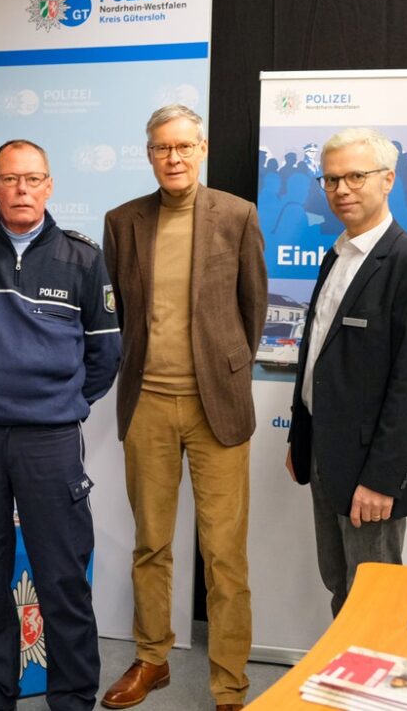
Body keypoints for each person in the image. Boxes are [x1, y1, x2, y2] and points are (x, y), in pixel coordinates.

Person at [0, 139, 120, 711]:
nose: (22, 189)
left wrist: (57, 405)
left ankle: (73, 697)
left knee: (61, 577)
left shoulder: (83, 258)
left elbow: (104, 355)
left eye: (33, 179)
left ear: (50, 185)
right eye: (9, 179)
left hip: (50, 442)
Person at [101, 104, 267, 711]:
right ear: (149, 154)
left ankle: (230, 685)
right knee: (151, 543)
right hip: (146, 401)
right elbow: (117, 311)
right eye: (162, 148)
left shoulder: (237, 215)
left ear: (203, 149)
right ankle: (152, 659)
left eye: (184, 146)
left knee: (224, 554)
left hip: (216, 408)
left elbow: (253, 310)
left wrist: (221, 372)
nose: (174, 157)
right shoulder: (123, 222)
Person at [285, 127, 407, 617]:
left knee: (373, 602)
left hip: (371, 471)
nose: (342, 190)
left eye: (356, 176)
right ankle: (347, 688)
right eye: (332, 179)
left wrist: (382, 479)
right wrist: (301, 438)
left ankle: (372, 694)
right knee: (340, 586)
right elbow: (316, 356)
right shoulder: (335, 256)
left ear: (388, 180)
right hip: (323, 453)